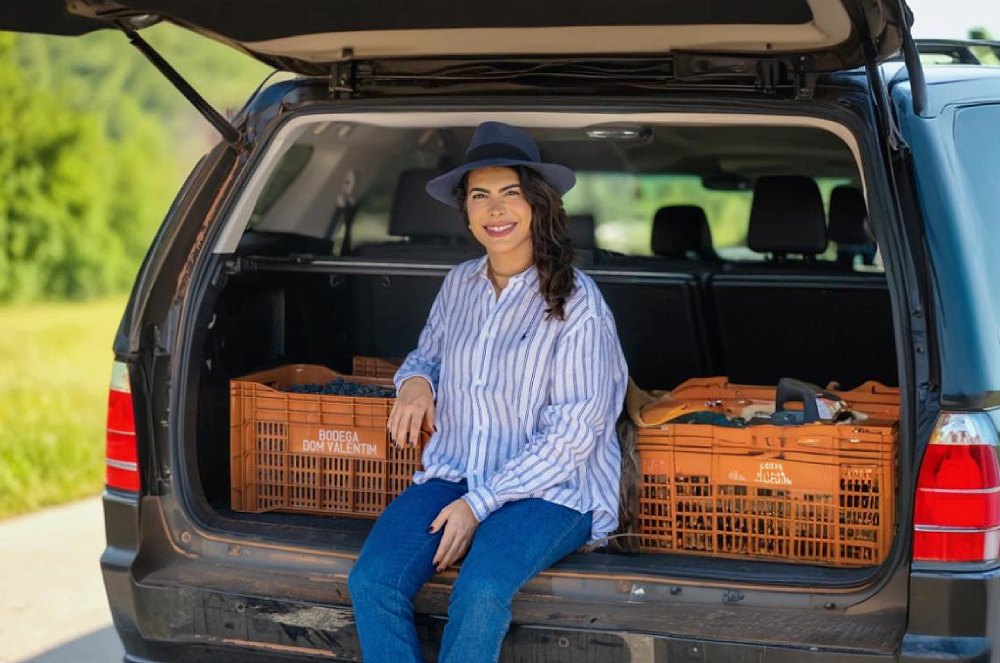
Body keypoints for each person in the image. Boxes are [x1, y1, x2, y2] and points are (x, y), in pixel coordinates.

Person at [347, 121, 629, 663]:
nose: (495, 211)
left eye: (510, 194)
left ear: (537, 204)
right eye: (481, 196)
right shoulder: (460, 284)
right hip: (455, 470)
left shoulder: (579, 305)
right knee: (372, 583)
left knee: (479, 592)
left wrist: (477, 506)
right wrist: (413, 384)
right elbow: (426, 354)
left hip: (552, 491)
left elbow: (572, 436)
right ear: (467, 210)